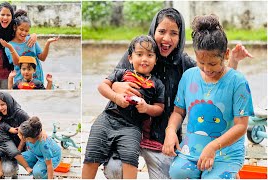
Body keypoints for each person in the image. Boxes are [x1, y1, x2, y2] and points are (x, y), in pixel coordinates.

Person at [104, 7, 253, 179]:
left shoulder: (187, 66)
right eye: (161, 31)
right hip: (130, 130)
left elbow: (221, 85)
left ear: (180, 36)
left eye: (173, 33)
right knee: (120, 169)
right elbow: (110, 81)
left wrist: (232, 61)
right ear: (154, 30)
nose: (166, 38)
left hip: (176, 144)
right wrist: (116, 88)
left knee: (176, 173)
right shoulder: (139, 52)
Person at [162, 14, 254, 179]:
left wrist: (213, 147)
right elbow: (178, 111)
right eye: (201, 63)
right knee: (177, 173)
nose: (206, 69)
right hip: (192, 150)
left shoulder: (238, 82)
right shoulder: (189, 76)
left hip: (226, 154)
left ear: (226, 55)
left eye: (212, 64)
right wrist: (170, 131)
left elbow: (241, 126)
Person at [82, 35, 165, 179]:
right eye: (139, 54)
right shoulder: (123, 73)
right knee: (92, 154)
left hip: (132, 126)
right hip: (108, 119)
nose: (144, 59)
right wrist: (116, 97)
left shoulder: (157, 84)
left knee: (130, 158)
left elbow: (159, 108)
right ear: (130, 58)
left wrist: (146, 108)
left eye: (150, 55)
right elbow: (102, 86)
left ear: (156, 59)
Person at [0, 92, 48, 177]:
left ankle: (12, 167)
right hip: (0, 143)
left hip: (15, 147)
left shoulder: (19, 114)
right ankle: (0, 165)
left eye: (3, 104)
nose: (0, 108)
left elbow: (33, 123)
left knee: (8, 171)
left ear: (8, 103)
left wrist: (42, 131)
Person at [0, 9, 59, 84]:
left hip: (37, 80)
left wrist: (47, 43)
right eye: (21, 29)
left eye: (26, 31)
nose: (24, 33)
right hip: (20, 82)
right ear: (15, 27)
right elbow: (18, 63)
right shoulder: (9, 46)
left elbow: (42, 58)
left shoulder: (31, 40)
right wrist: (10, 47)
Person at [0, 106, 32, 178]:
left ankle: (27, 167)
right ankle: (0, 171)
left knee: (15, 153)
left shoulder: (3, 125)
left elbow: (12, 130)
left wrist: (20, 129)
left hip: (7, 143)